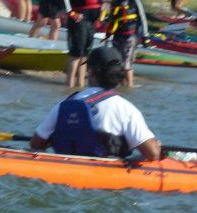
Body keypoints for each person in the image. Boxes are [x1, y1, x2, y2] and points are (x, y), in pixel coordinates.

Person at [30, 46, 162, 161]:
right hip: (106, 173)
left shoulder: (65, 104)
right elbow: (152, 154)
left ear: (92, 71)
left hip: (66, 168)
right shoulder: (126, 109)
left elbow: (36, 144)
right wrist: (156, 145)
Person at [62, 0, 105, 88]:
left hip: (91, 22)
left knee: (85, 55)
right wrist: (71, 12)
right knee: (76, 54)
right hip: (79, 19)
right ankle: (69, 86)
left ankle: (80, 85)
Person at [106, 0, 149, 88]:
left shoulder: (135, 0)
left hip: (130, 37)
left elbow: (142, 18)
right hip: (117, 35)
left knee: (127, 63)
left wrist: (145, 36)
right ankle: (122, 86)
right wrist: (108, 33)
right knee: (117, 62)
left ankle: (130, 86)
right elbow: (112, 18)